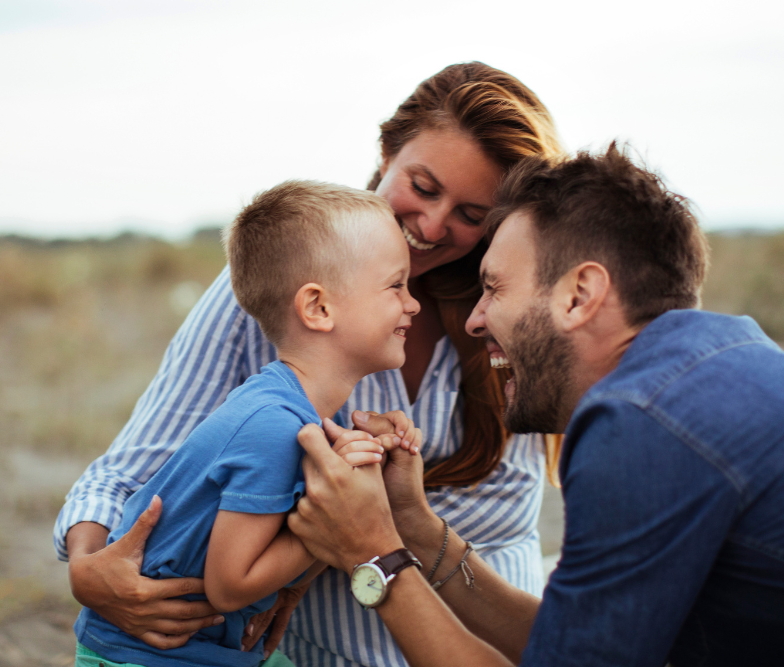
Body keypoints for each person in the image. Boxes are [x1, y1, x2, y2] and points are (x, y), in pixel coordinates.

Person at [287, 145, 784, 667]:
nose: (478, 320)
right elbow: (569, 644)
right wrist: (418, 534)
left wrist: (373, 555)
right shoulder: (709, 380)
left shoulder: (644, 421)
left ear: (580, 295)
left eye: (494, 288)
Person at [56, 62, 567, 666]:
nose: (431, 225)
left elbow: (488, 519)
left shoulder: (509, 317)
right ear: (386, 154)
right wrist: (91, 570)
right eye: (424, 188)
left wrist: (357, 523)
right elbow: (139, 465)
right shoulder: (285, 285)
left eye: (471, 214)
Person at [74, 181, 424, 667]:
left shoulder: (310, 411)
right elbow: (230, 585)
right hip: (149, 656)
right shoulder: (271, 427)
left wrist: (371, 461)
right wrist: (332, 520)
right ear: (319, 308)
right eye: (396, 285)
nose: (413, 303)